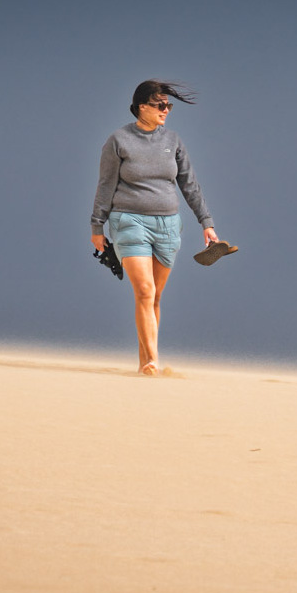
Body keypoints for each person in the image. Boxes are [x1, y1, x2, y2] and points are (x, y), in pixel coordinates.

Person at [91, 79, 226, 376]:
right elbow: (105, 184)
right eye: (159, 105)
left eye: (168, 106)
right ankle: (153, 361)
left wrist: (207, 223)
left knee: (154, 297)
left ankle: (144, 364)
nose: (166, 110)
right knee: (143, 289)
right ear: (142, 107)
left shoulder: (173, 141)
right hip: (128, 221)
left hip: (167, 225)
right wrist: (97, 225)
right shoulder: (118, 140)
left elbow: (189, 185)